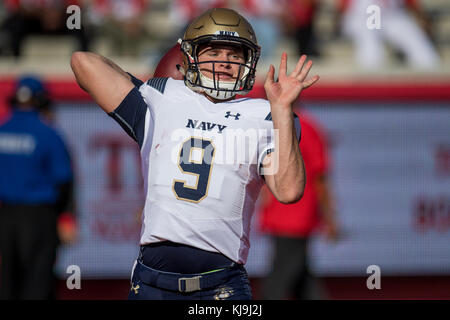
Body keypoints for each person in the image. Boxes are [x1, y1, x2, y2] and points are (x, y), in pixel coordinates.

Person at [70, 7, 319, 300]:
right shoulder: (162, 99)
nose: (224, 62)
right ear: (190, 57)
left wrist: (281, 111)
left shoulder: (262, 115)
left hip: (221, 287)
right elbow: (83, 62)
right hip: (151, 283)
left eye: (235, 55)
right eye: (214, 52)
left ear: (248, 62)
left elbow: (289, 191)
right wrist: (157, 83)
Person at [0, 76, 74, 299]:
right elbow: (64, 180)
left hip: (5, 217)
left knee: (6, 282)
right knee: (38, 283)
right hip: (38, 218)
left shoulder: (2, 130)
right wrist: (64, 216)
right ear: (42, 102)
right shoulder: (49, 134)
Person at [259, 109, 339, 300]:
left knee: (283, 278)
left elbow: (319, 177)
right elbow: (320, 177)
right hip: (294, 216)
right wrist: (330, 218)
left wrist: (330, 217)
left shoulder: (273, 126)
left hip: (292, 215)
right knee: (294, 273)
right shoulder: (306, 127)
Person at [339, 0, 440, 69]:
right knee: (371, 50)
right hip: (362, 17)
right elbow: (343, 5)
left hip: (393, 16)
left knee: (422, 50)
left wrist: (422, 17)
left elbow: (411, 3)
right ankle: (371, 89)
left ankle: (427, 84)